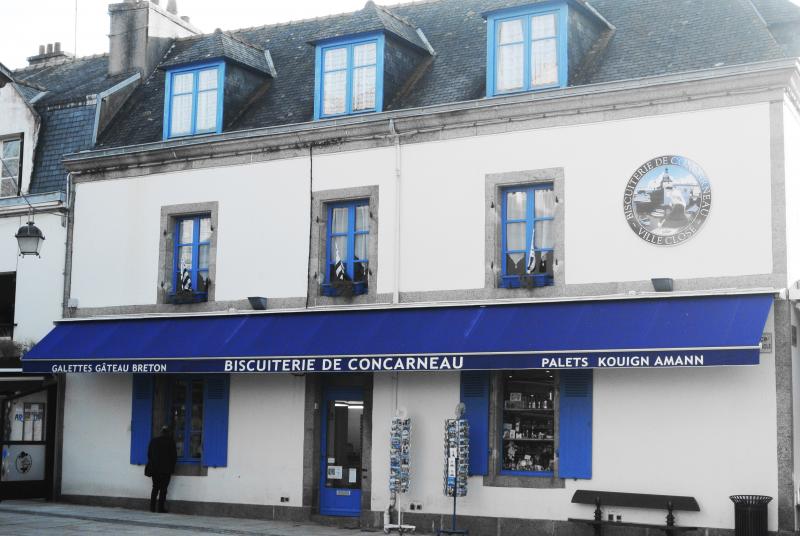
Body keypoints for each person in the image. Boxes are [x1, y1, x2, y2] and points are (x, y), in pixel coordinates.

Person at [147, 426, 177, 513]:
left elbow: (149, 455)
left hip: (155, 469)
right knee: (163, 489)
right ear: (168, 433)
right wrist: (171, 467)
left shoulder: (153, 441)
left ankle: (152, 508)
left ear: (161, 432)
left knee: (155, 488)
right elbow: (174, 457)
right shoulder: (171, 442)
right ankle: (160, 508)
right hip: (166, 470)